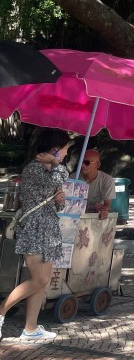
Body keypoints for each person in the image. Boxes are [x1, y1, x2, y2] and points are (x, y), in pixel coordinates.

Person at [1, 128, 70, 344]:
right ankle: (1, 311)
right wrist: (56, 163)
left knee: (43, 281)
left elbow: (57, 201)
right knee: (38, 279)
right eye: (65, 149)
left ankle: (30, 328)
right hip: (33, 228)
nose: (67, 153)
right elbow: (60, 176)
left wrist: (59, 201)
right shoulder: (34, 169)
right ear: (55, 149)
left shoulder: (51, 169)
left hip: (49, 228)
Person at [80, 149, 114, 220]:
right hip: (76, 217)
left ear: (97, 165)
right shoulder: (73, 178)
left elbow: (107, 205)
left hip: (96, 218)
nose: (82, 165)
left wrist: (103, 209)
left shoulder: (107, 180)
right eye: (80, 161)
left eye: (87, 162)